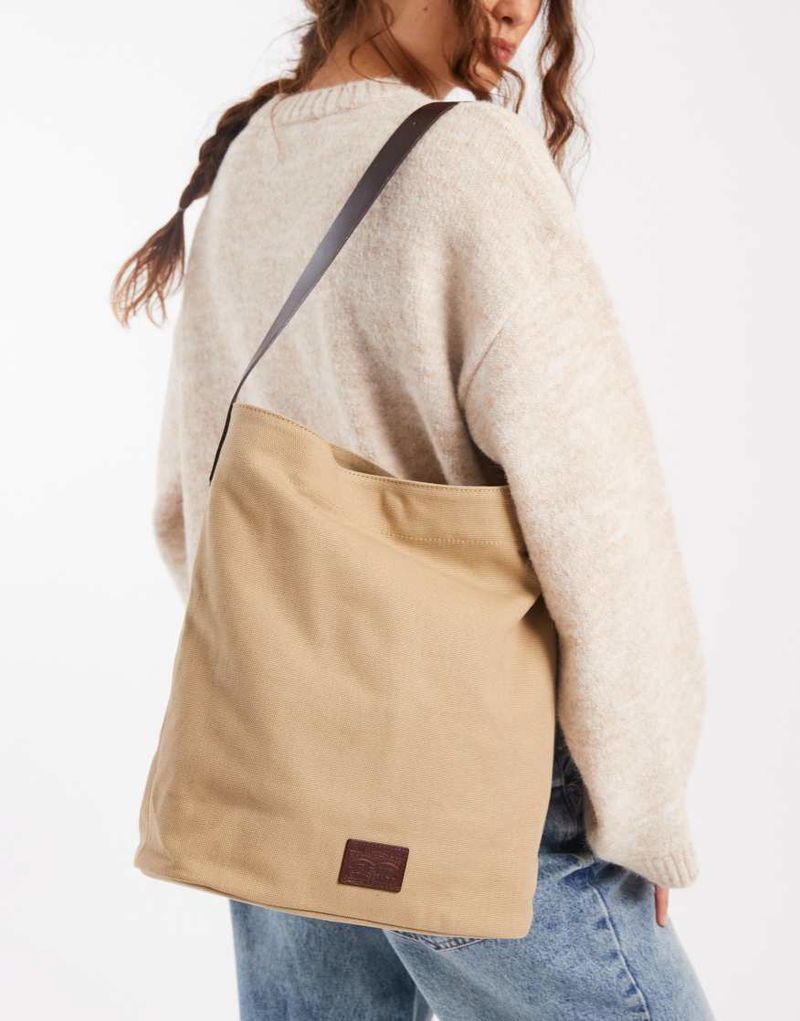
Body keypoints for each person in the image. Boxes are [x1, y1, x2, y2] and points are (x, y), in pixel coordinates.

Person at [112, 0, 714, 1017]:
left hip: (279, 776)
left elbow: (188, 509)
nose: (519, 8)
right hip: (473, 790)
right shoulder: (466, 160)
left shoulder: (247, 167)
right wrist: (644, 805)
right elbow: (601, 523)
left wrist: (304, 678)